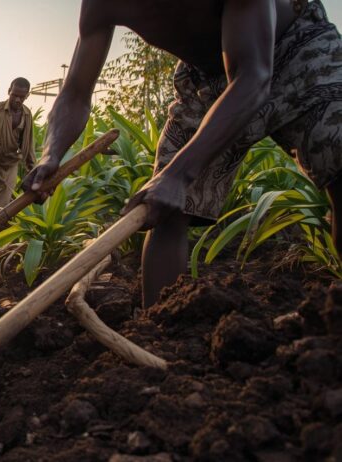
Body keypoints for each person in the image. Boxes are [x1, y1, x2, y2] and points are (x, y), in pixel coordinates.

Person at [24, 0, 342, 310]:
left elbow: (253, 79)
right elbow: (76, 92)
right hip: (206, 77)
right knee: (164, 208)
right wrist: (51, 155)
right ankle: (155, 333)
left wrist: (179, 174)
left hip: (297, 47)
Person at [0, 77, 35, 208]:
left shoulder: (27, 115)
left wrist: (32, 169)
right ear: (9, 91)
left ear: (27, 96)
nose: (17, 100)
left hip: (10, 164)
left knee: (4, 204)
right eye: (14, 95)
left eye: (22, 97)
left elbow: (28, 144)